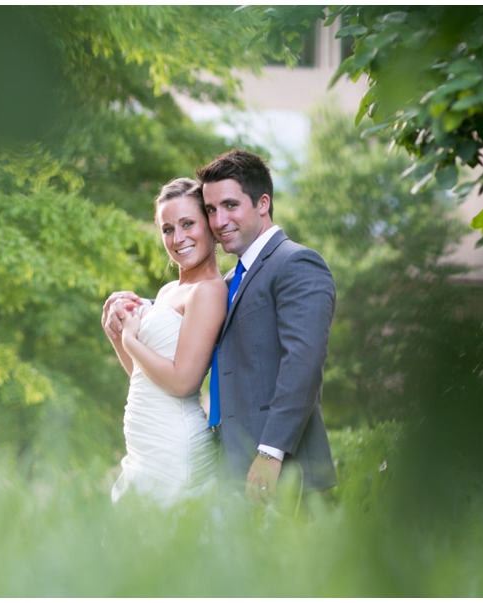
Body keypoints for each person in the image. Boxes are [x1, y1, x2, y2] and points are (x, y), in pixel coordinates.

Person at [106, 150, 337, 506]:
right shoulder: (233, 280)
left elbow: (303, 365)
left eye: (230, 205)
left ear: (263, 203)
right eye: (211, 210)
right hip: (227, 462)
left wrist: (271, 452)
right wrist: (139, 312)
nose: (219, 220)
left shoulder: (296, 262)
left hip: (283, 468)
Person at [102, 177, 227, 507]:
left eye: (188, 224)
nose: (178, 238)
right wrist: (115, 331)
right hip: (147, 444)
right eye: (168, 229)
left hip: (174, 447)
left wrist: (130, 338)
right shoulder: (168, 291)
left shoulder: (209, 291)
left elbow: (184, 383)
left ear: (210, 226)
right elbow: (143, 376)